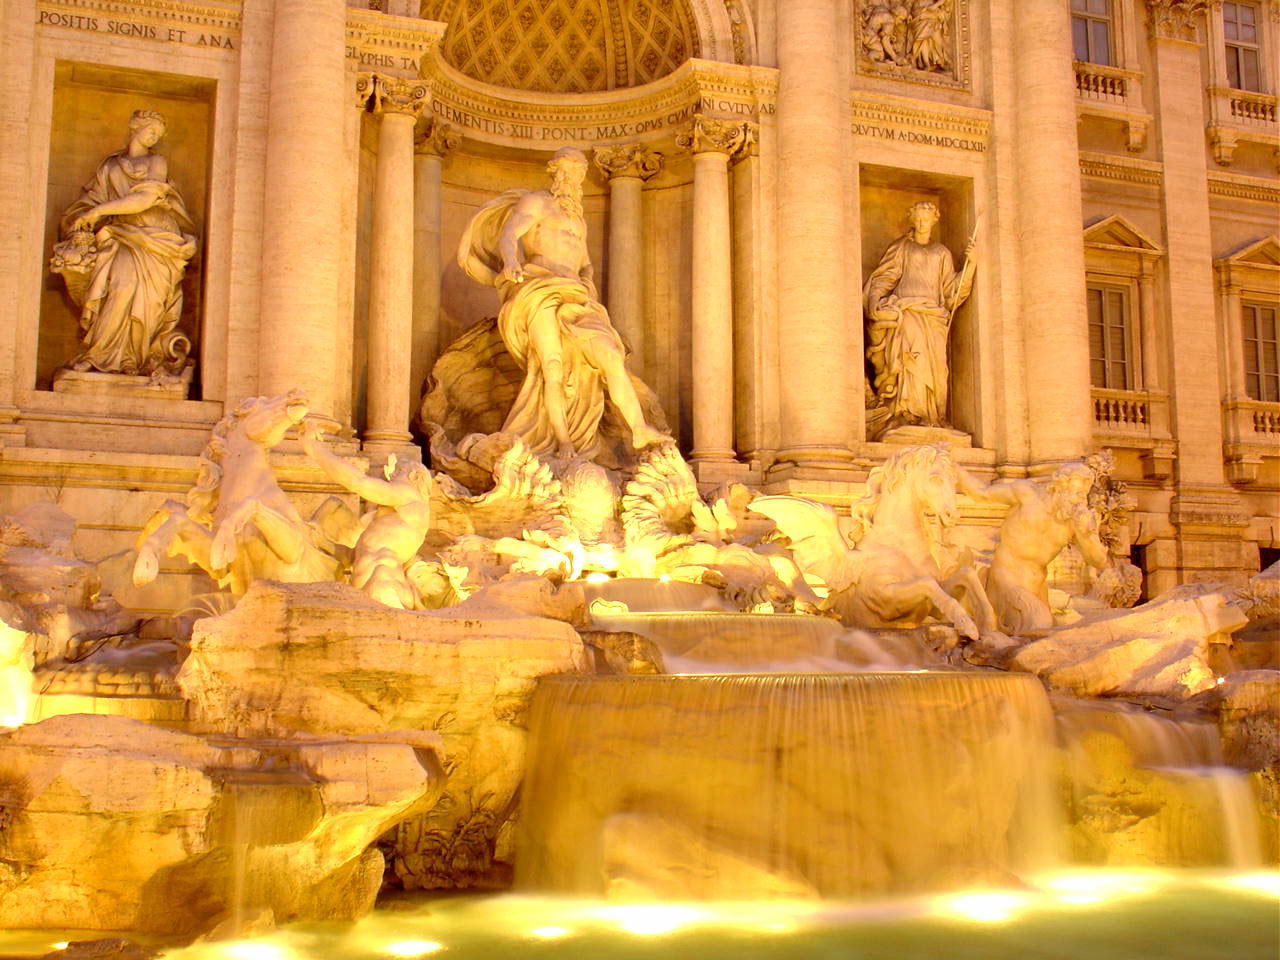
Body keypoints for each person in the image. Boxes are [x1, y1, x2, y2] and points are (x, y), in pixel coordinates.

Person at [457, 147, 667, 461]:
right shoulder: (536, 203)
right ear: (555, 172)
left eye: (579, 173)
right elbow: (509, 234)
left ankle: (638, 429)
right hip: (538, 287)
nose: (574, 179)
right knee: (551, 368)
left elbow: (584, 264)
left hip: (577, 296)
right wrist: (511, 260)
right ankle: (563, 442)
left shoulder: (577, 219)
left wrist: (589, 287)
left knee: (610, 355)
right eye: (568, 171)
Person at [52, 109, 197, 377]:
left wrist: (97, 212)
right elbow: (89, 202)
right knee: (119, 286)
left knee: (150, 301)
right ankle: (99, 354)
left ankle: (136, 358)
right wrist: (83, 217)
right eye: (150, 131)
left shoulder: (157, 162)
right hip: (120, 236)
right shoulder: (109, 167)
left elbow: (144, 199)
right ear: (135, 127)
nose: (154, 137)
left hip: (155, 238)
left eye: (158, 134)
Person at [956, 462, 1109, 636]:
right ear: (1059, 487)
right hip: (1006, 580)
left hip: (1038, 590)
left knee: (1049, 635)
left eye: (1084, 494)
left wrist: (1089, 533)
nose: (1080, 499)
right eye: (1075, 492)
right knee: (1039, 624)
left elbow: (1098, 560)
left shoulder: (1073, 523)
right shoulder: (1027, 494)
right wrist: (956, 471)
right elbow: (982, 493)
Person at [864, 200, 974, 434]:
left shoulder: (941, 253)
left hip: (934, 318)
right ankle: (907, 413)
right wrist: (875, 302)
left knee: (937, 370)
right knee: (911, 364)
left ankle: (933, 415)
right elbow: (884, 279)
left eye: (927, 218)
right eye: (919, 218)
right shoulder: (901, 247)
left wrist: (971, 264)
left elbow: (951, 291)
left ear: (935, 220)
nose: (923, 223)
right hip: (908, 314)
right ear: (912, 220)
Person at [301, 422, 434, 610]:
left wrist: (315, 450)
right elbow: (351, 556)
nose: (390, 476)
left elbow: (359, 482)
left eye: (397, 472)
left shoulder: (411, 497)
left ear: (414, 476)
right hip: (363, 589)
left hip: (386, 586)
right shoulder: (386, 523)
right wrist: (319, 539)